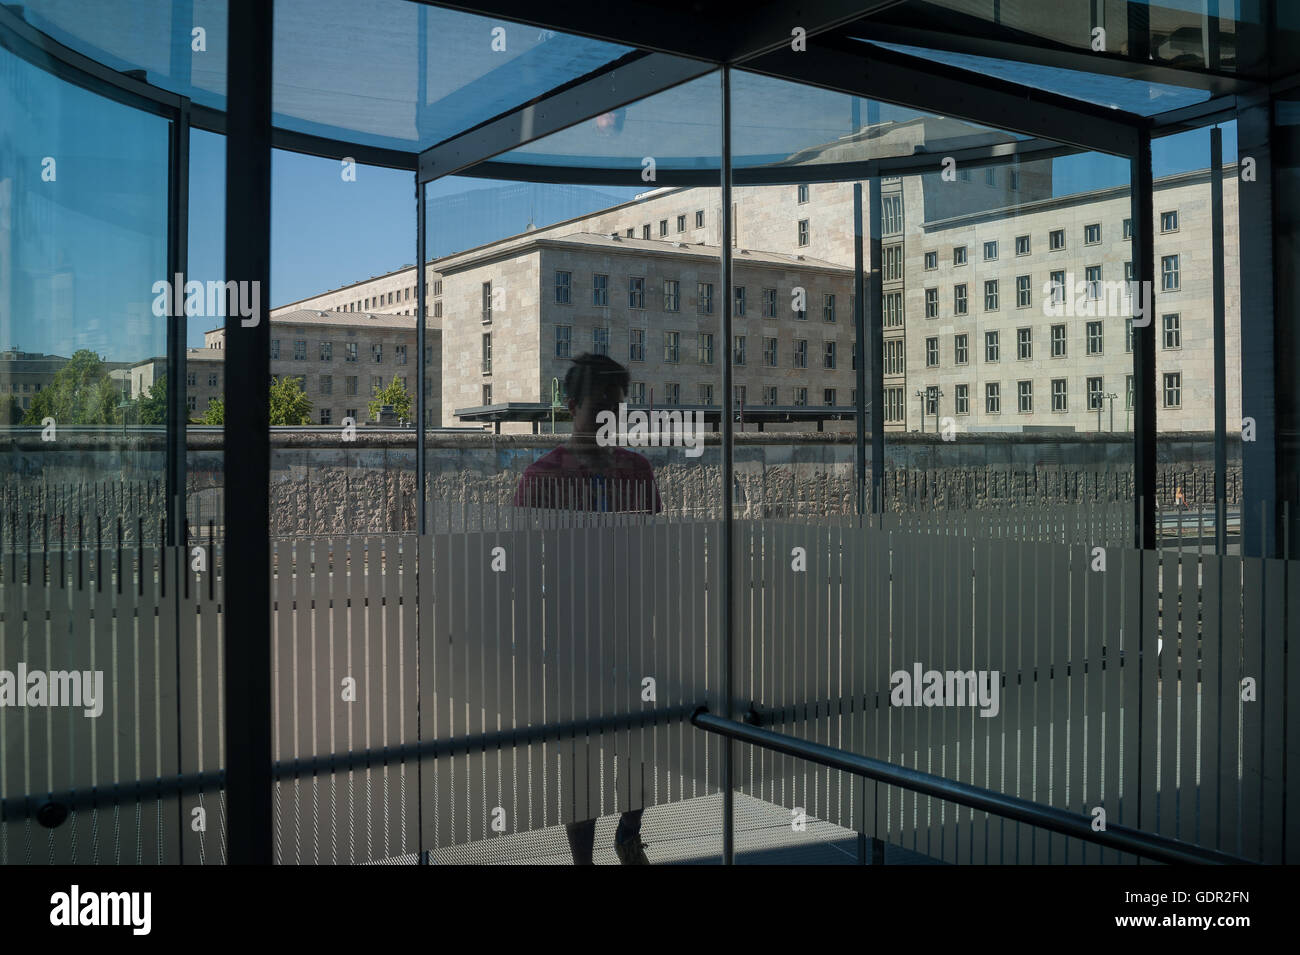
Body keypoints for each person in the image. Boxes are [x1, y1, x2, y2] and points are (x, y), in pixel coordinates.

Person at [514, 353, 661, 864]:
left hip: (629, 633)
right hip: (572, 642)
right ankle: (585, 859)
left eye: (616, 407)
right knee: (579, 763)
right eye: (599, 406)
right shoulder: (540, 480)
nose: (608, 418)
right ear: (571, 405)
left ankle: (627, 834)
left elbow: (652, 555)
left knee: (640, 751)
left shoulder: (638, 473)